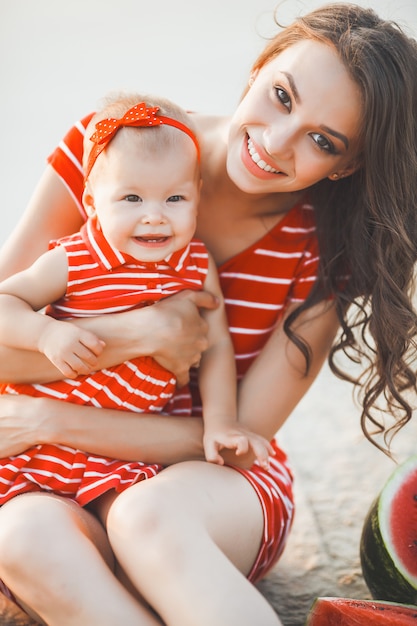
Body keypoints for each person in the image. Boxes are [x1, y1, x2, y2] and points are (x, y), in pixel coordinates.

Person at [0, 2, 415, 625]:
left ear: (347, 164)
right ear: (260, 66)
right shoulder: (117, 148)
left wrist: (45, 419)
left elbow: (234, 442)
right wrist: (142, 331)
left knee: (148, 517)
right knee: (23, 538)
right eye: (282, 95)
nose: (276, 143)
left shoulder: (327, 253)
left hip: (206, 489)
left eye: (322, 141)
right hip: (53, 473)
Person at [0, 94, 271, 509]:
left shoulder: (196, 263)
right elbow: (6, 302)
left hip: (125, 445)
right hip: (37, 443)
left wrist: (220, 422)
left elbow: (216, 346)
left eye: (174, 199)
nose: (154, 216)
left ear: (197, 195)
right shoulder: (75, 259)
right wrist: (44, 332)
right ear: (92, 202)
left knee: (125, 524)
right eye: (132, 199)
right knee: (36, 522)